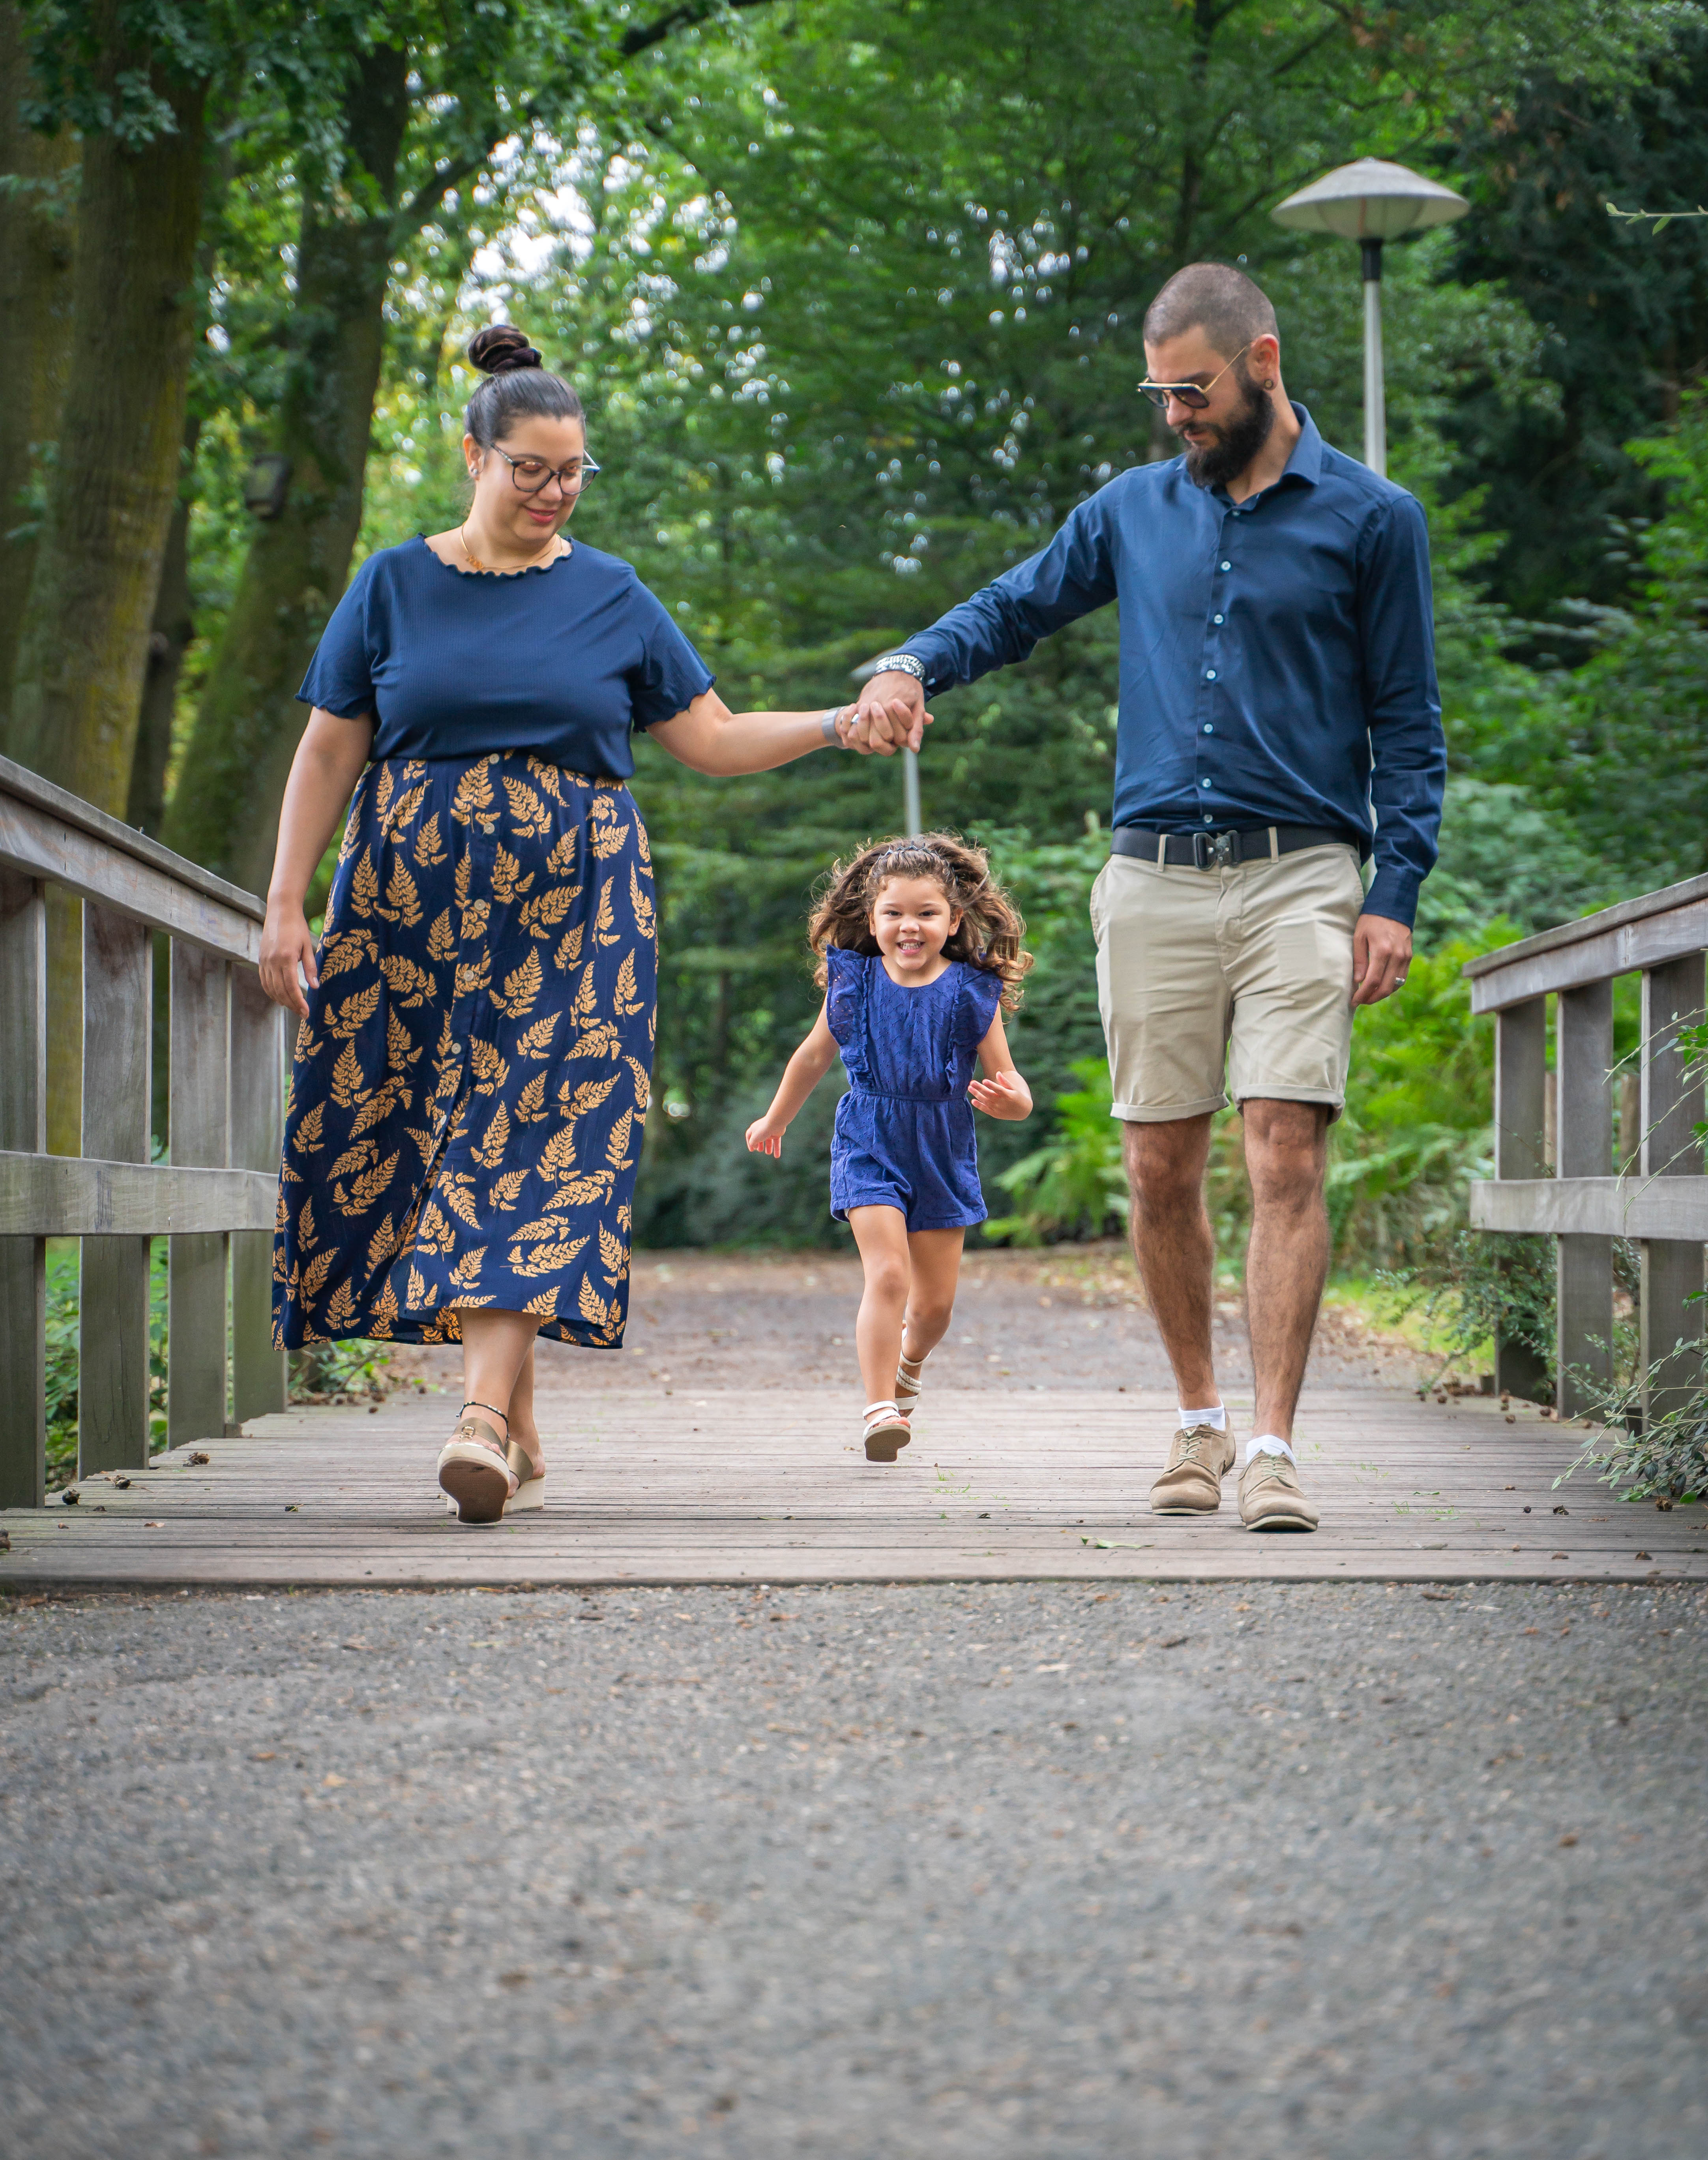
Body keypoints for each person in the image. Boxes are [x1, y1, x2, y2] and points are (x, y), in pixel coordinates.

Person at [848, 262, 1446, 1532]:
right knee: (1159, 1160)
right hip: (1155, 877)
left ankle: (1276, 1445)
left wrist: (1395, 888)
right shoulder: (1131, 509)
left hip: (1303, 872)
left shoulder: (1376, 518)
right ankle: (1198, 1424)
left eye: (1196, 389)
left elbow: (1410, 722)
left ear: (1264, 363)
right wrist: (913, 661)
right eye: (1162, 392)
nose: (1176, 414)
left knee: (1286, 1147)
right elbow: (1016, 608)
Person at [260, 324, 871, 1523]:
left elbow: (711, 738)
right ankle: (519, 1420)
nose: (554, 492)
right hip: (403, 910)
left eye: (574, 471)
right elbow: (331, 745)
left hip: (576, 913)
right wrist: (285, 900)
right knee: (426, 1137)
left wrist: (839, 723)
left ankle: (482, 1418)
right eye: (532, 469)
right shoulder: (391, 583)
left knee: (542, 1130)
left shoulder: (613, 594)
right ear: (474, 458)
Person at [745, 835, 1033, 1459]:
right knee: (890, 1274)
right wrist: (775, 1119)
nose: (910, 926)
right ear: (871, 921)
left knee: (933, 1309)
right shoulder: (854, 983)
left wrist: (1014, 1103)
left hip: (942, 1148)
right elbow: (814, 1055)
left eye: (926, 913)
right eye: (894, 913)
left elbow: (1013, 1082)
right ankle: (879, 1408)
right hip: (869, 1139)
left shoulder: (971, 993)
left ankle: (908, 1365)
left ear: (953, 921)